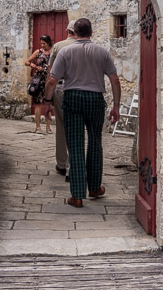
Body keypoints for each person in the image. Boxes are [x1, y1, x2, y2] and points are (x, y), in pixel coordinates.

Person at [43, 18, 121, 208]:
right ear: (91, 32)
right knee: (95, 142)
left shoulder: (65, 51)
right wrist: (116, 106)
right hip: (95, 99)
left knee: (75, 144)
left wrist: (47, 103)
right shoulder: (102, 52)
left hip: (73, 98)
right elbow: (114, 80)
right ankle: (94, 187)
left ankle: (77, 195)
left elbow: (52, 80)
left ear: (74, 32)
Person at [47, 20, 77, 177]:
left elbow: (51, 73)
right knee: (76, 127)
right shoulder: (86, 46)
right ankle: (73, 165)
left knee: (61, 126)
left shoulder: (58, 46)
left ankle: (61, 164)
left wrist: (48, 97)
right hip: (79, 88)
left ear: (67, 31)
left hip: (61, 87)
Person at [25, 35, 53, 134]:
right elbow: (27, 62)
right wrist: (33, 65)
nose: (42, 45)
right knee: (38, 103)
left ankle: (48, 127)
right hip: (39, 80)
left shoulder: (53, 53)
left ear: (49, 43)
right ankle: (38, 127)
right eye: (41, 43)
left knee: (48, 103)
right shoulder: (38, 52)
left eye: (44, 43)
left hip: (49, 80)